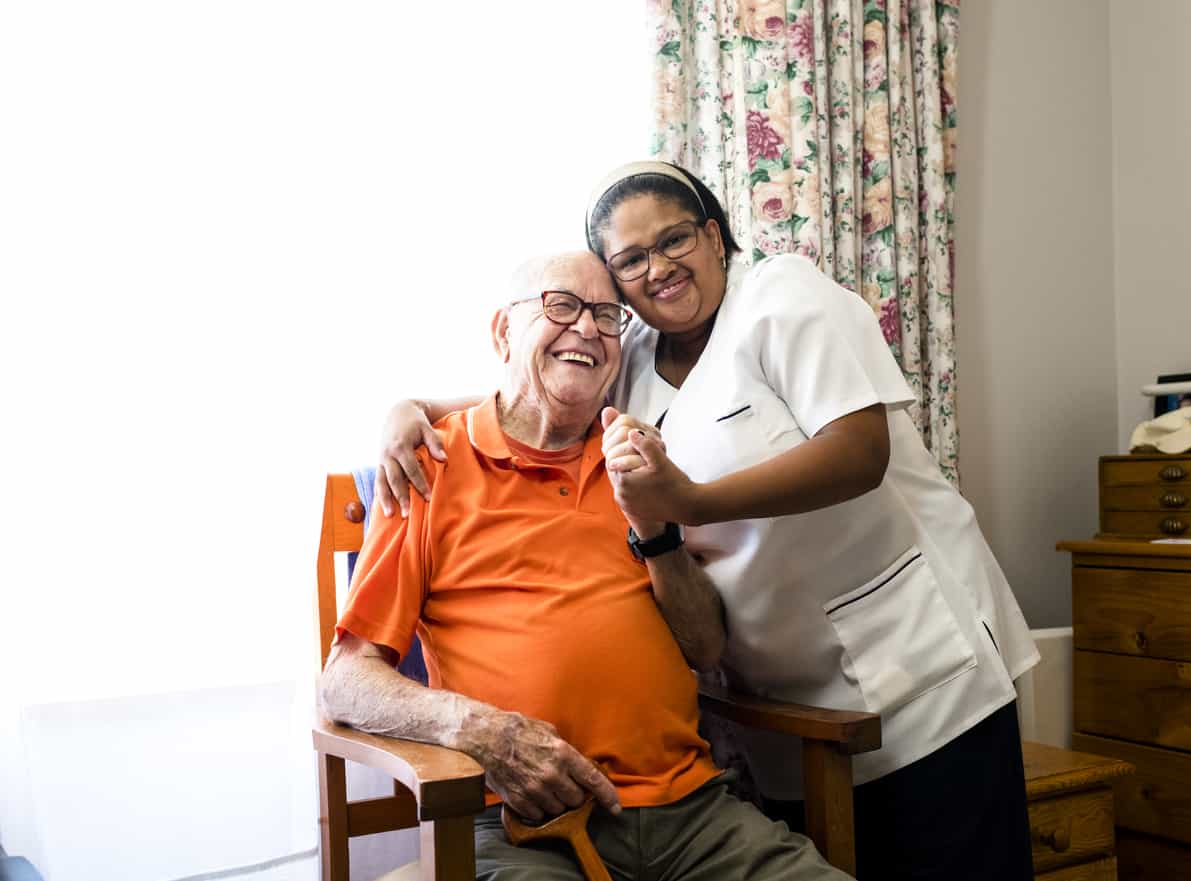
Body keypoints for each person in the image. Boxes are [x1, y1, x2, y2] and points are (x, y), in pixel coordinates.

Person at [374, 162, 1041, 881]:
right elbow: (537, 377)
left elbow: (858, 453)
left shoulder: (780, 294)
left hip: (917, 657)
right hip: (781, 694)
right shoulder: (629, 352)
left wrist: (686, 505)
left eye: (676, 240)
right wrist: (411, 407)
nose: (658, 268)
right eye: (630, 261)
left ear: (715, 236)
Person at [321, 252, 854, 881]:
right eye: (561, 305)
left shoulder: (639, 461)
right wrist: (480, 730)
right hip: (525, 824)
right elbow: (346, 680)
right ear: (503, 331)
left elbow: (706, 647)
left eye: (606, 315)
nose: (587, 329)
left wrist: (655, 528)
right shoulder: (428, 466)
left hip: (695, 815)